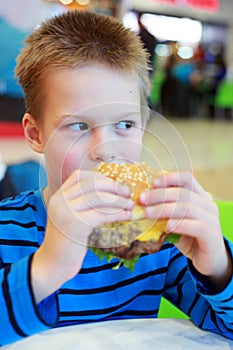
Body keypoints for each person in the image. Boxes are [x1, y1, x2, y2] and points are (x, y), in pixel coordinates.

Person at [0, 10, 233, 346]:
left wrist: (219, 267)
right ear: (36, 134)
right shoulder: (7, 230)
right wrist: (48, 267)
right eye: (79, 126)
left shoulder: (156, 242)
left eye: (124, 125)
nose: (105, 150)